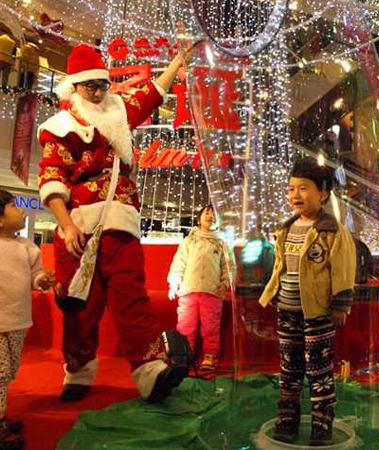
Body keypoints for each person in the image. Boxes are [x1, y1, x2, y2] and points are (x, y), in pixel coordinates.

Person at [37, 44, 193, 403]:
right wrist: (67, 226)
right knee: (80, 306)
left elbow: (151, 95)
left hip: (121, 224)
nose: (96, 91)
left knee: (132, 300)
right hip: (78, 230)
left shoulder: (118, 111)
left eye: (101, 84)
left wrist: (175, 63)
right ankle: (77, 370)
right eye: (88, 85)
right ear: (74, 86)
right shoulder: (58, 127)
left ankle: (151, 371)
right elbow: (51, 179)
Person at [259, 158, 356, 446]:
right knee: (289, 368)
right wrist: (272, 294)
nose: (295, 195)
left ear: (323, 193)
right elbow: (281, 267)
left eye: (303, 188)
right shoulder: (286, 229)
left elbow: (343, 268)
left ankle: (322, 424)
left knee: (318, 369)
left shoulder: (332, 231)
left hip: (318, 312)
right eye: (291, 189)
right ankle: (287, 420)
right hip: (287, 311)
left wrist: (340, 304)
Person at [0, 189, 54, 450]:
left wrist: (42, 280)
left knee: (9, 371)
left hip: (18, 319)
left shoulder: (27, 246)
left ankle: (1, 416)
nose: (21, 209)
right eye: (13, 205)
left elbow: (37, 275)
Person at [167, 204, 231, 379]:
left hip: (211, 293)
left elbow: (228, 267)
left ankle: (210, 360)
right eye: (207, 213)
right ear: (198, 218)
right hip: (188, 291)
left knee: (210, 328)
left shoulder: (221, 243)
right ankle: (185, 358)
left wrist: (224, 283)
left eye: (214, 214)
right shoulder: (190, 241)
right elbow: (179, 262)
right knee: (185, 327)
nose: (210, 216)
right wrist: (174, 282)